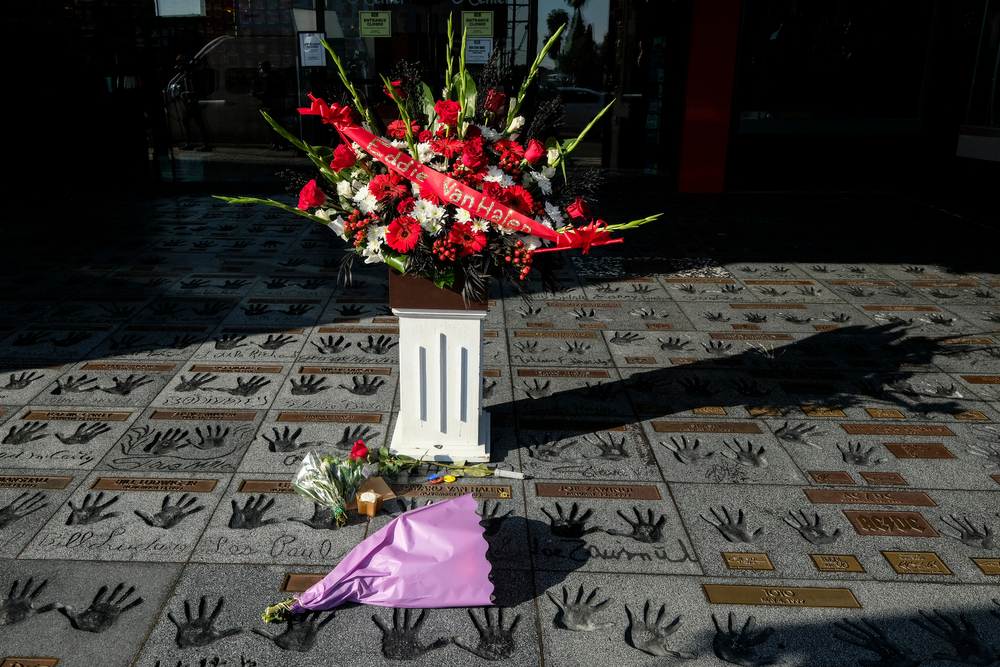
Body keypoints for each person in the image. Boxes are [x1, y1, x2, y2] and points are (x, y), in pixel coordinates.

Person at [174, 53, 214, 152]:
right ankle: (201, 143)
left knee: (196, 121)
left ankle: (199, 144)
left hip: (193, 101)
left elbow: (192, 86)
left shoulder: (190, 72)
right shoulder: (190, 71)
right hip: (192, 100)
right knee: (192, 121)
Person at [251, 61, 288, 150]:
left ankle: (280, 143)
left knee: (274, 124)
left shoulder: (270, 76)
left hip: (274, 103)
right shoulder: (274, 75)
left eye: (262, 67)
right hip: (276, 103)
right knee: (274, 124)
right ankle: (278, 142)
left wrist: (257, 94)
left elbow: (269, 92)